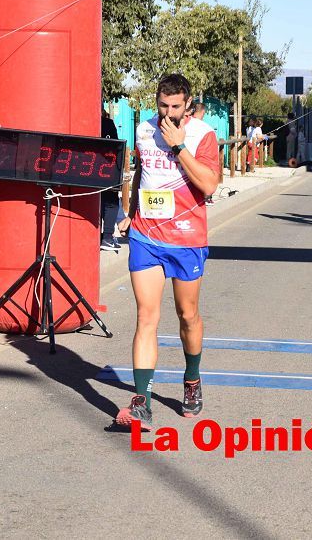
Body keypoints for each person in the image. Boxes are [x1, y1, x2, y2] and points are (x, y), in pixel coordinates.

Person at [116, 74, 220, 430]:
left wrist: (178, 147)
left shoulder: (203, 134)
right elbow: (141, 173)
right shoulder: (144, 131)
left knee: (187, 315)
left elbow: (208, 184)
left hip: (187, 238)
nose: (169, 113)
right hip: (146, 237)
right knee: (146, 317)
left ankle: (192, 378)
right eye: (163, 105)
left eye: (176, 106)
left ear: (188, 105)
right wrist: (130, 214)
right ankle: (141, 402)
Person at [101, 108, 121, 251]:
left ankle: (103, 236)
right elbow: (115, 145)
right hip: (106, 169)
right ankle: (107, 236)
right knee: (111, 202)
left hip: (86, 171)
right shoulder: (108, 123)